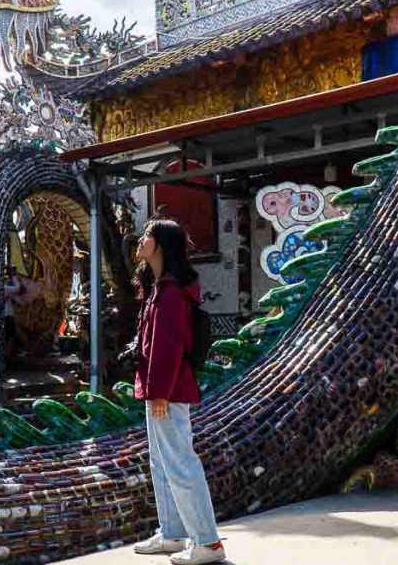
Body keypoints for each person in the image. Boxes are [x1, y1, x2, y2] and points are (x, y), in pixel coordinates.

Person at [130, 219, 225, 565]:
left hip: (166, 392)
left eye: (147, 236)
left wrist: (159, 393)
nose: (140, 241)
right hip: (159, 390)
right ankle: (172, 533)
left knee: (181, 463)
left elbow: (168, 348)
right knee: (162, 462)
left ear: (160, 245)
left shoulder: (170, 293)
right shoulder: (159, 288)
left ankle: (209, 543)